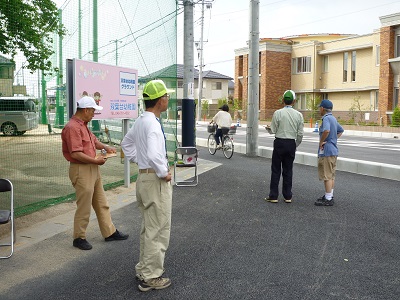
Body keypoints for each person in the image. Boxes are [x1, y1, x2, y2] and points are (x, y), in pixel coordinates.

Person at [121, 79, 173, 292]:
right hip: (155, 181)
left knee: (148, 227)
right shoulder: (153, 123)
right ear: (160, 100)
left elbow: (126, 144)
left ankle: (144, 268)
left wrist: (138, 161)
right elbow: (153, 153)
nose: (168, 99)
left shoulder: (141, 121)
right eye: (166, 96)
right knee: (158, 228)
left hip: (143, 178)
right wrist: (163, 172)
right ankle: (151, 277)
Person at [61, 96, 129, 251]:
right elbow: (76, 153)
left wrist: (106, 147)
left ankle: (109, 232)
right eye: (92, 111)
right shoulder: (72, 127)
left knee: (101, 202)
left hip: (91, 167)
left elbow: (93, 141)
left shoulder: (82, 125)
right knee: (84, 206)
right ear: (85, 110)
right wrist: (95, 161)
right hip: (82, 168)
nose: (94, 114)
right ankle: (79, 237)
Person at [266, 90, 304, 203]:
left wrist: (268, 128)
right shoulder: (299, 115)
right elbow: (300, 134)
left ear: (283, 100)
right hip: (291, 143)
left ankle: (273, 196)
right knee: (288, 170)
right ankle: (288, 196)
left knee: (276, 169)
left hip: (279, 143)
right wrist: (295, 144)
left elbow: (273, 130)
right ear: (294, 101)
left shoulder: (278, 113)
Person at [315, 99, 344, 206]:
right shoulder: (333, 118)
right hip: (333, 150)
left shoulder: (326, 119)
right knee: (331, 175)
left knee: (326, 175)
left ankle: (328, 199)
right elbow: (341, 130)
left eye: (319, 108)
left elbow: (326, 130)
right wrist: (333, 139)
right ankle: (329, 195)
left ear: (322, 108)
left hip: (326, 151)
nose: (319, 110)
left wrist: (322, 141)